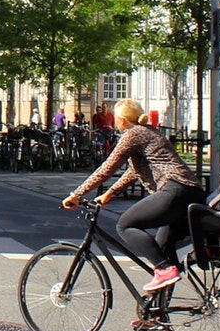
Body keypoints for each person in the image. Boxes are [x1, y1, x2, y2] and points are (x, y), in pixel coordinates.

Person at [61, 98, 205, 294]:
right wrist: (110, 192)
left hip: (175, 190)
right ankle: (157, 314)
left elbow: (107, 169)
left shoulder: (133, 135)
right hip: (191, 193)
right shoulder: (149, 132)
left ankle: (164, 270)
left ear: (121, 119)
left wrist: (76, 194)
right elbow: (134, 171)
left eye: (114, 117)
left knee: (125, 225)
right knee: (162, 251)